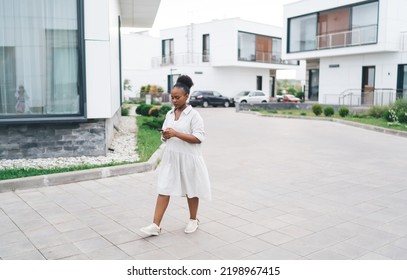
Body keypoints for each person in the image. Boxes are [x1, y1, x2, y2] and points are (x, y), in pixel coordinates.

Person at [140, 75, 211, 236]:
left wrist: (177, 134)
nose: (174, 100)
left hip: (189, 159)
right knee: (163, 188)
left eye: (177, 97)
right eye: (172, 97)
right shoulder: (169, 114)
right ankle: (155, 225)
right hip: (171, 159)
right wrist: (165, 135)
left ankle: (193, 220)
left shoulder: (194, 116)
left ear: (187, 96)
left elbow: (199, 138)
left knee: (191, 190)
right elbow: (165, 135)